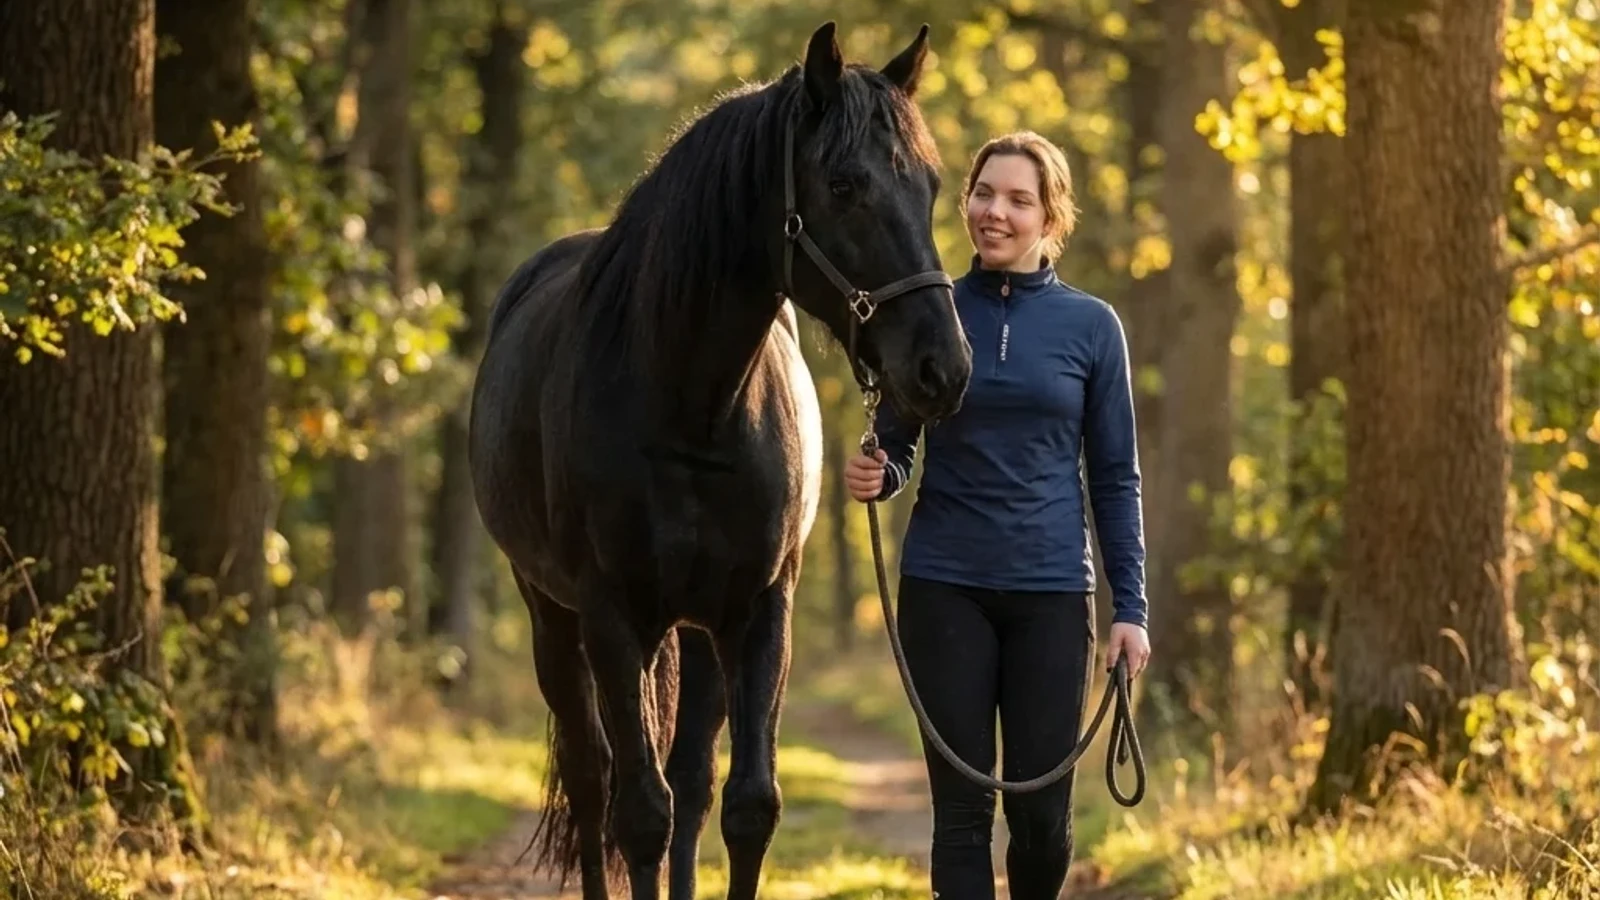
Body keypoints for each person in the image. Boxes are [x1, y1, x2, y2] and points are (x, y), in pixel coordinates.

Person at [844, 131, 1151, 899]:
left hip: (1051, 592)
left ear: (1051, 217)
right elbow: (899, 443)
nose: (996, 212)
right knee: (961, 815)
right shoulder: (929, 312)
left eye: (1019, 199)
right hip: (944, 584)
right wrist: (880, 473)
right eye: (984, 194)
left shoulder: (1092, 327)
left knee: (1043, 819)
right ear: (966, 204)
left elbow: (1115, 478)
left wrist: (1131, 609)